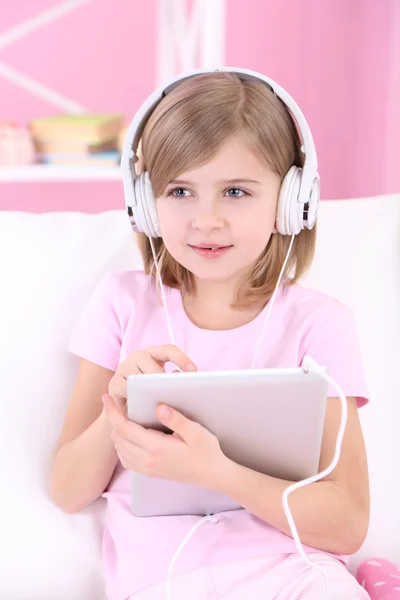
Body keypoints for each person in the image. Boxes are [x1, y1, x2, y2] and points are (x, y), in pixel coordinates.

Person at [50, 69, 370, 600]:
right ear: (147, 204)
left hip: (297, 577)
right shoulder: (122, 304)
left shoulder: (321, 324)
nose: (207, 220)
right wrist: (121, 407)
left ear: (292, 200)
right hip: (164, 584)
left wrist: (218, 472)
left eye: (236, 191)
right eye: (179, 191)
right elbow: (67, 490)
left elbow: (347, 524)